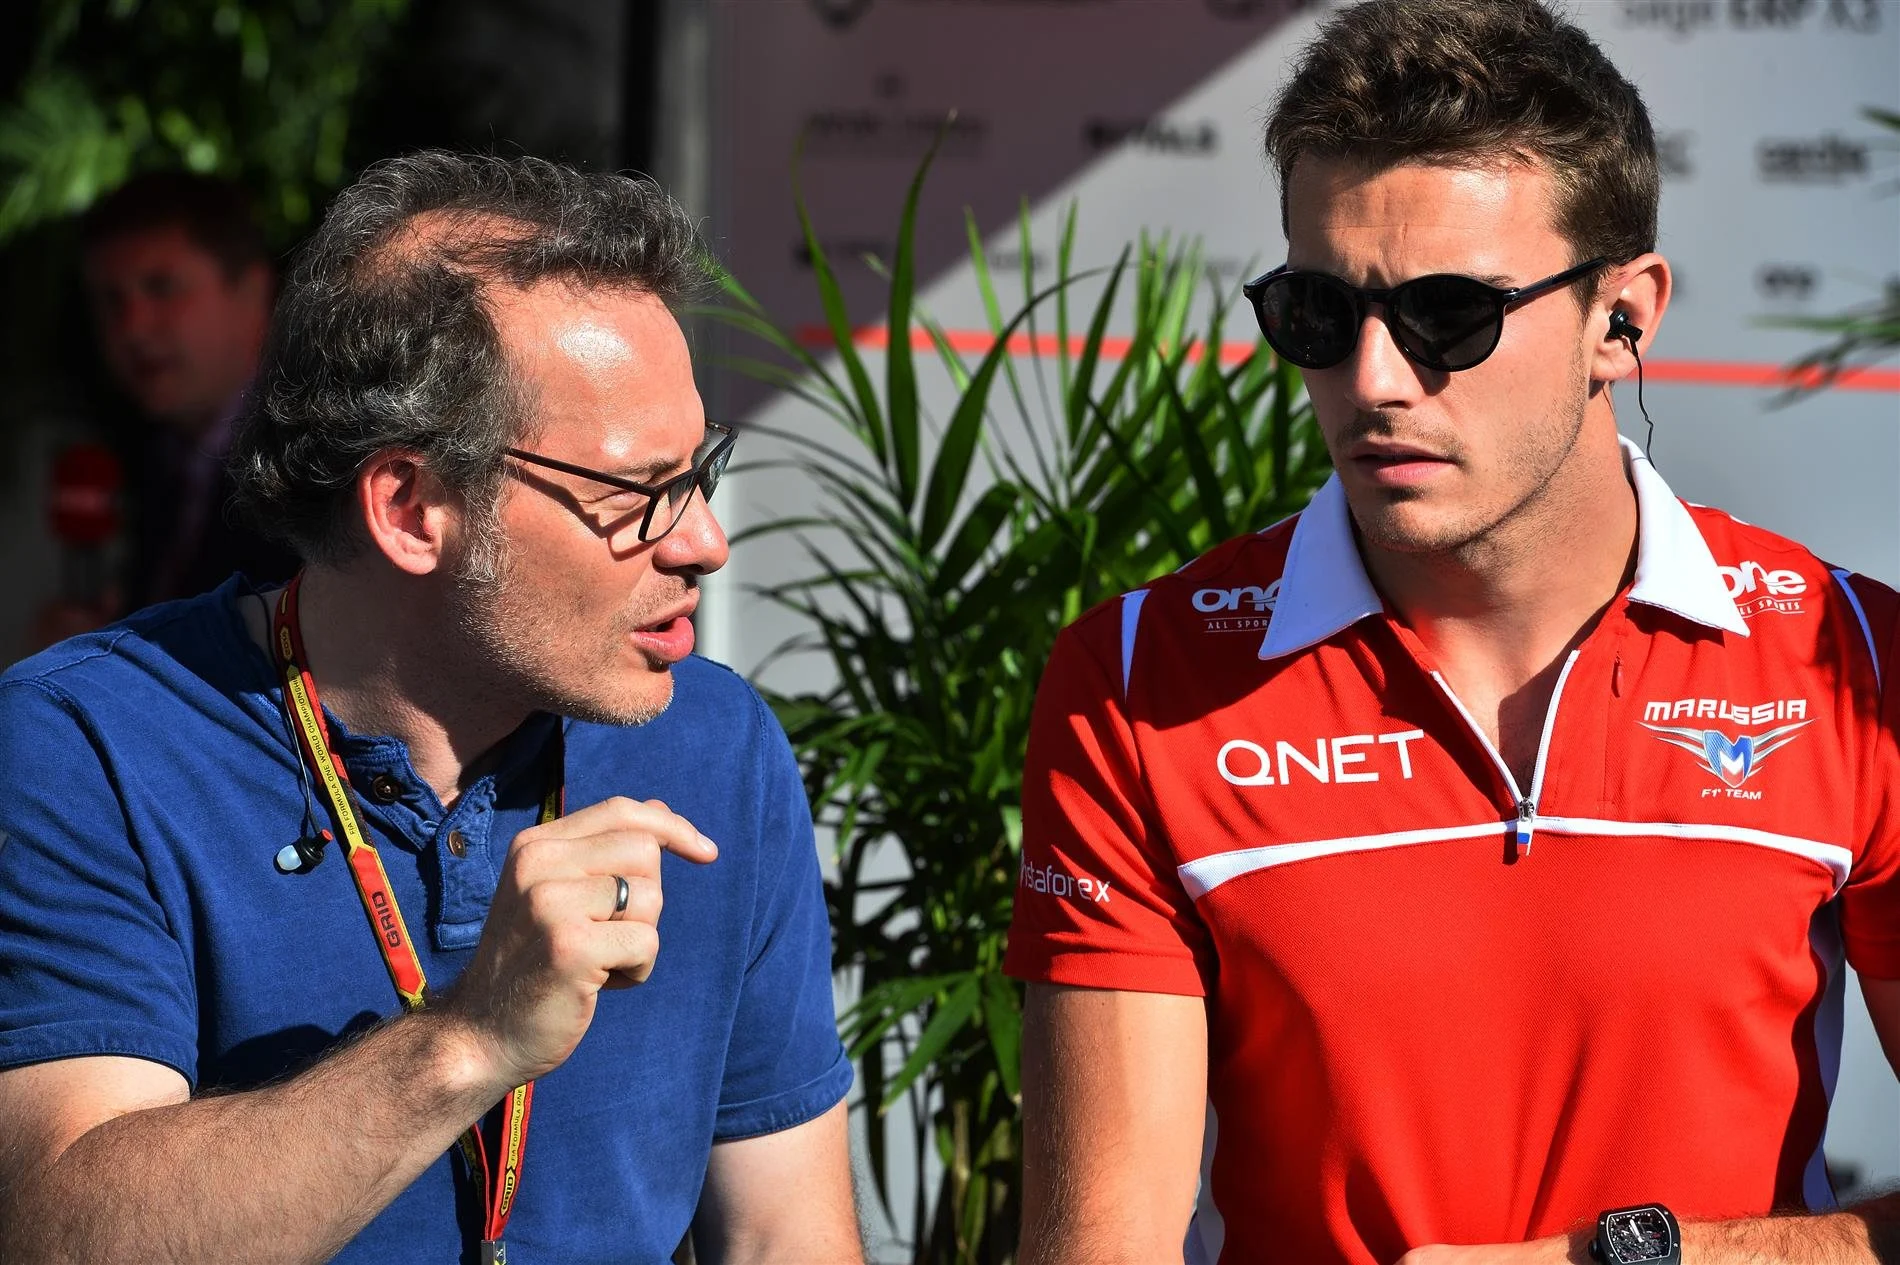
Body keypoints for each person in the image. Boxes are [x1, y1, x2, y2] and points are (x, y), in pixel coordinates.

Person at [1003, 3, 1900, 1263]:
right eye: (1317, 312)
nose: (1373, 377)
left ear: (1621, 316)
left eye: (1447, 316)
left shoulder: (1853, 660)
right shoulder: (1141, 680)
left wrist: (1635, 1258)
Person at [0, 152, 861, 1263]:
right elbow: (56, 1233)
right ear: (412, 507)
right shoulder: (90, 743)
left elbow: (785, 1233)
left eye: (698, 470)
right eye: (638, 492)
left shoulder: (713, 742)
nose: (702, 540)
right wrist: (466, 1038)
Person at [79, 170, 298, 609]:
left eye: (161, 288)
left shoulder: (312, 463)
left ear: (253, 291)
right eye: (111, 301)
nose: (132, 328)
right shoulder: (148, 458)